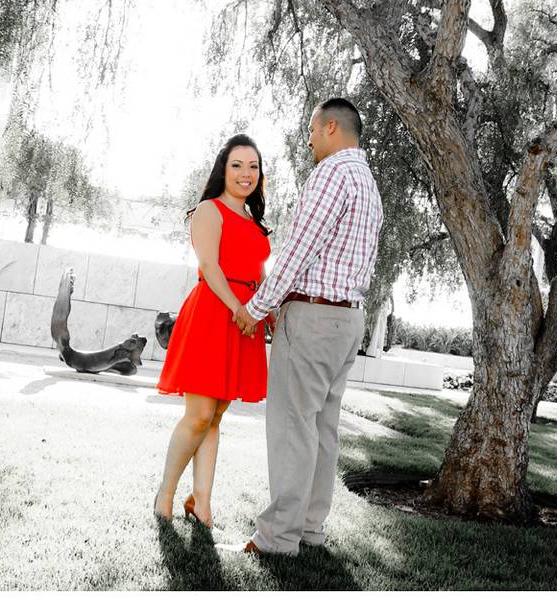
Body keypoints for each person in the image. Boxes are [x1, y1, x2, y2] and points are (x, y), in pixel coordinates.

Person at [229, 98, 384, 556]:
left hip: (314, 316)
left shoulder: (332, 172)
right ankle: (311, 529)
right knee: (323, 428)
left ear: (331, 127)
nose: (310, 139)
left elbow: (299, 249)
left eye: (313, 131)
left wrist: (257, 308)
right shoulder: (368, 184)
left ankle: (278, 538)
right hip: (348, 317)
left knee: (293, 426)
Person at [153, 134, 275, 527]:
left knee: (216, 415)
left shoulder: (255, 224)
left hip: (244, 320)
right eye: (237, 165)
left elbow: (259, 274)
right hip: (213, 314)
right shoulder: (209, 210)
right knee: (199, 413)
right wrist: (239, 307)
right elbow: (210, 267)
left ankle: (201, 502)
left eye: (253, 166)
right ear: (223, 168)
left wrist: (264, 312)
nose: (245, 173)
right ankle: (165, 494)